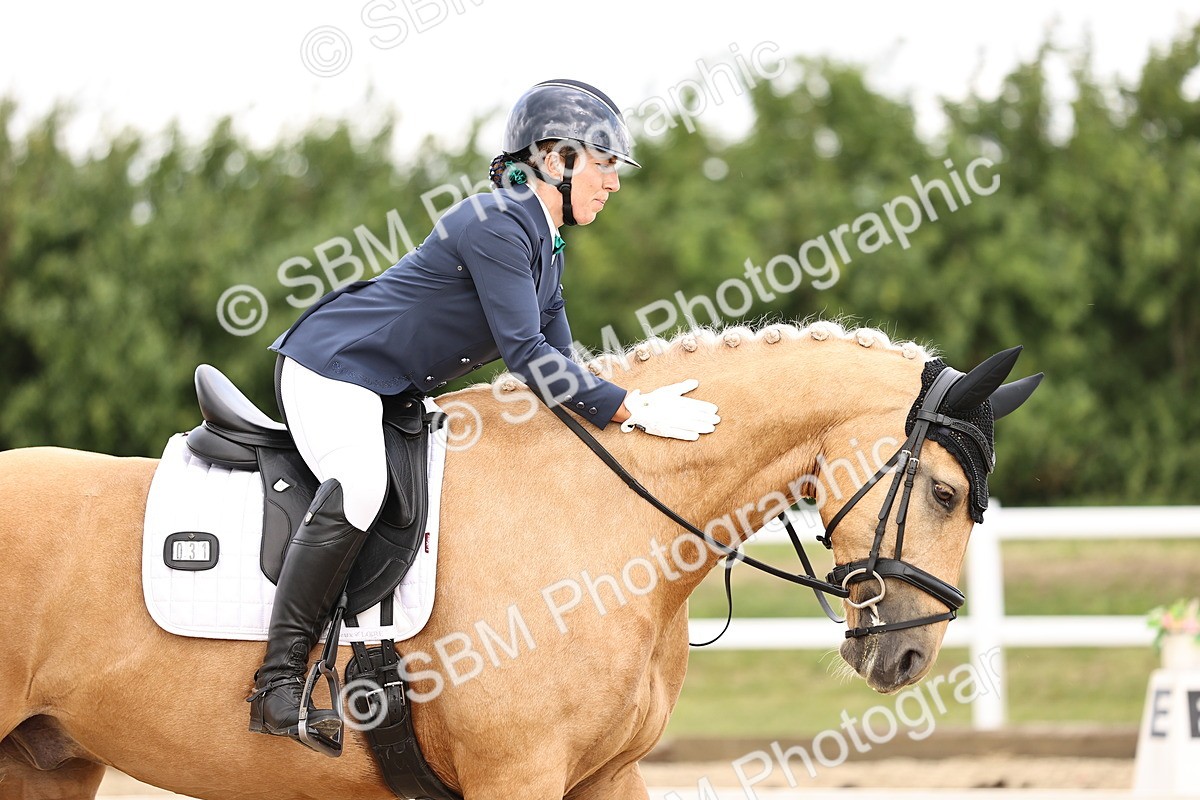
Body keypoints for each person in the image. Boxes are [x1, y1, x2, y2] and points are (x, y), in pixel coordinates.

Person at [246, 79, 722, 751]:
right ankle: (277, 684)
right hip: (334, 370)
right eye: (605, 163)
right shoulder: (496, 222)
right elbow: (528, 357)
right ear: (556, 159)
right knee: (361, 485)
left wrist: (638, 407)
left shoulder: (545, 254)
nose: (614, 183)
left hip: (384, 388)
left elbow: (566, 368)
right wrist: (630, 408)